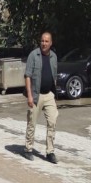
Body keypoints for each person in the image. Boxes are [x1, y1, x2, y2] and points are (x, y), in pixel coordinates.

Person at [23, 31, 58, 164]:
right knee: (32, 122)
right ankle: (28, 149)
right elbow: (28, 76)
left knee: (52, 122)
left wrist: (54, 95)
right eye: (42, 41)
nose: (44, 43)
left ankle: (50, 152)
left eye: (46, 41)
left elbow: (54, 76)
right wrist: (30, 96)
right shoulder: (34, 55)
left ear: (51, 43)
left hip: (49, 94)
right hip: (36, 95)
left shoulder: (53, 57)